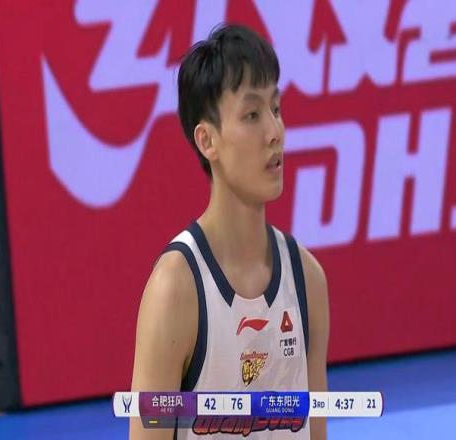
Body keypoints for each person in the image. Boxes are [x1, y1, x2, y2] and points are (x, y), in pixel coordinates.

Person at [130, 23, 329, 439]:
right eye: (252, 115)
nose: (275, 132)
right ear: (207, 141)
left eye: (276, 109)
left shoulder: (307, 280)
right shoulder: (175, 290)